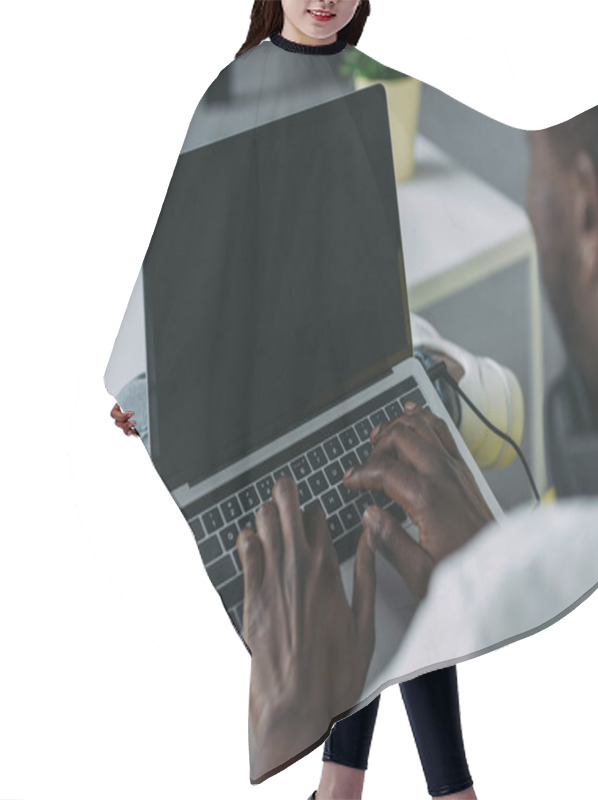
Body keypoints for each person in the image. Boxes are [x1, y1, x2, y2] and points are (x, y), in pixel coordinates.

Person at [238, 70, 598, 784]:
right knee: (381, 553)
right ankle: (392, 781)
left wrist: (286, 725)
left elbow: (499, 401)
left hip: (461, 547)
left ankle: (393, 782)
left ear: (587, 210)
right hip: (461, 551)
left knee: (385, 554)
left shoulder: (407, 349)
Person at [110, 2, 526, 797]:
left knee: (389, 549)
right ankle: (424, 790)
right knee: (360, 560)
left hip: (365, 369)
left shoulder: (368, 83)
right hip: (269, 401)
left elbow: (487, 157)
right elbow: (188, 252)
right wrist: (149, 390)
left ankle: (352, 787)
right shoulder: (235, 92)